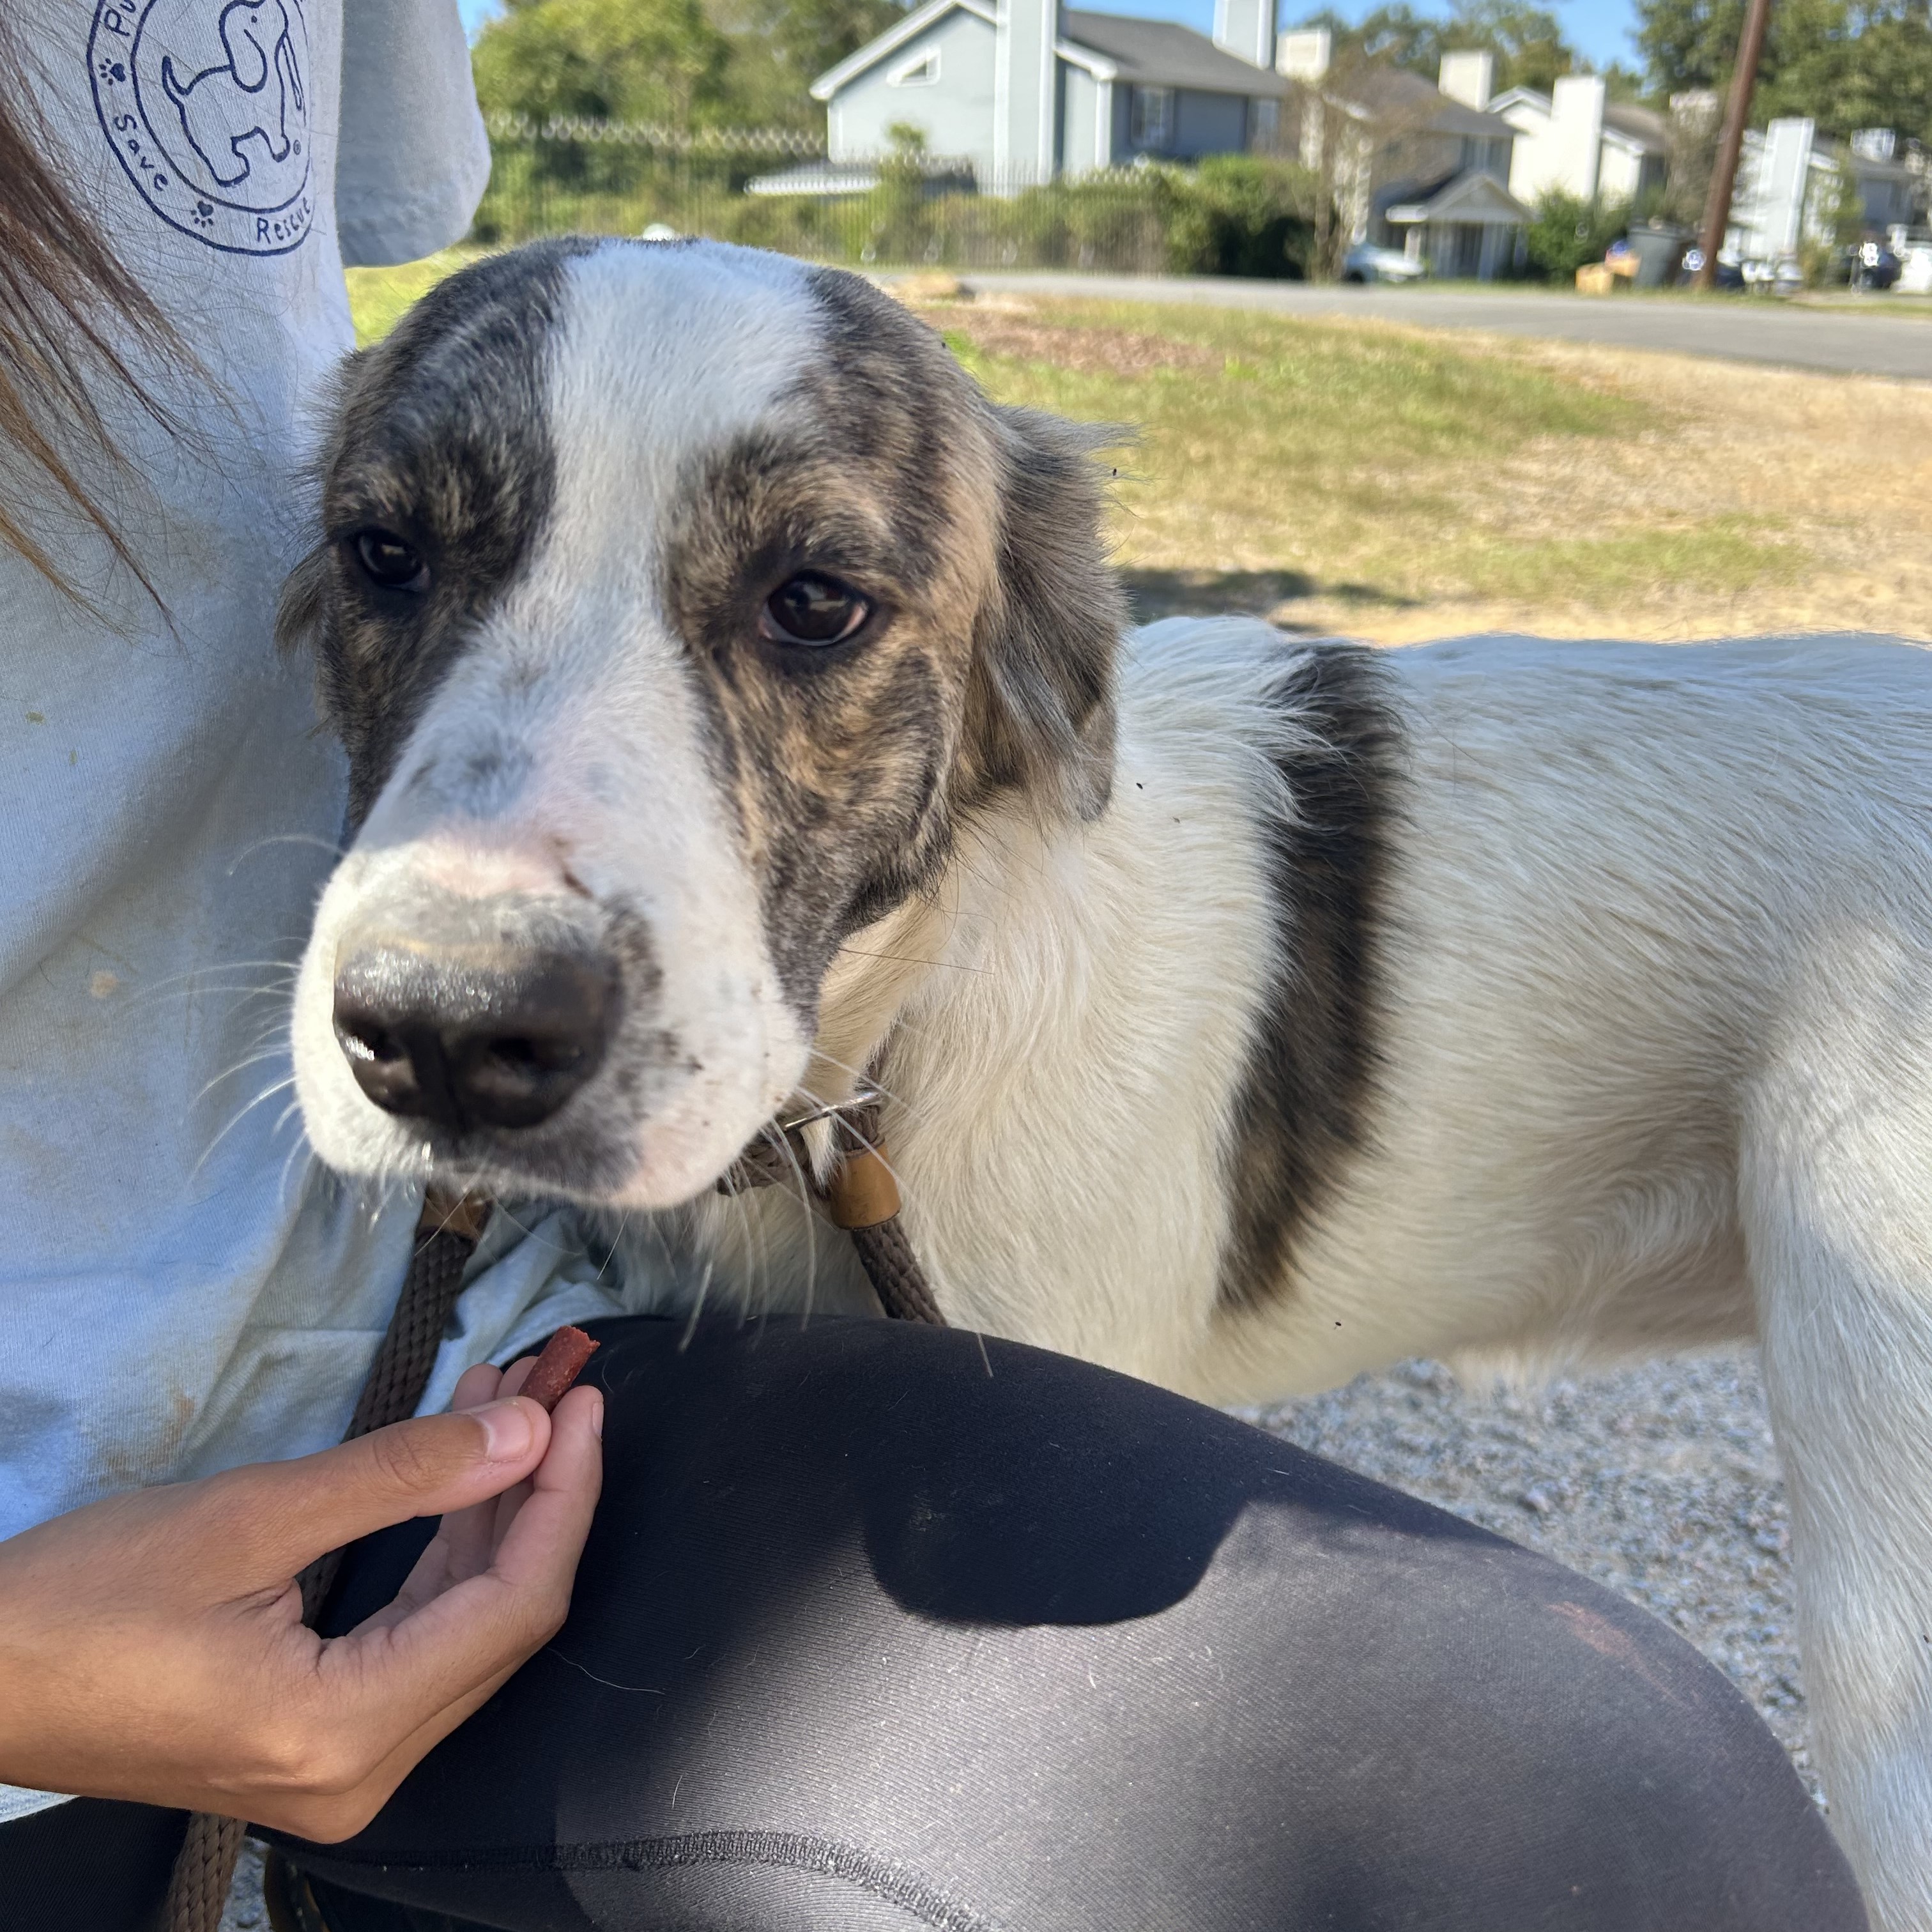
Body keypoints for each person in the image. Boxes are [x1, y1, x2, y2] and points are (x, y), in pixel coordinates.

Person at [0, 11, 1872, 1929]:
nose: (473, 952)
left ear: (1042, 693)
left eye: (808, 606)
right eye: (399, 565)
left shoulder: (1088, 917)